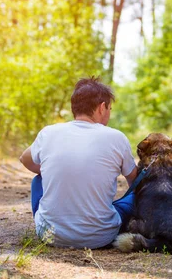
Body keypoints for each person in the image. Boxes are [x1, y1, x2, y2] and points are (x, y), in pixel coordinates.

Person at [19, 77, 137, 249]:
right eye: (109, 109)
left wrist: (51, 170)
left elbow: (25, 159)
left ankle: (53, 222)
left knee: (38, 180)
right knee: (139, 193)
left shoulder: (49, 133)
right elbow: (134, 182)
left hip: (50, 235)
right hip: (102, 238)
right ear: (102, 107)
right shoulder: (116, 137)